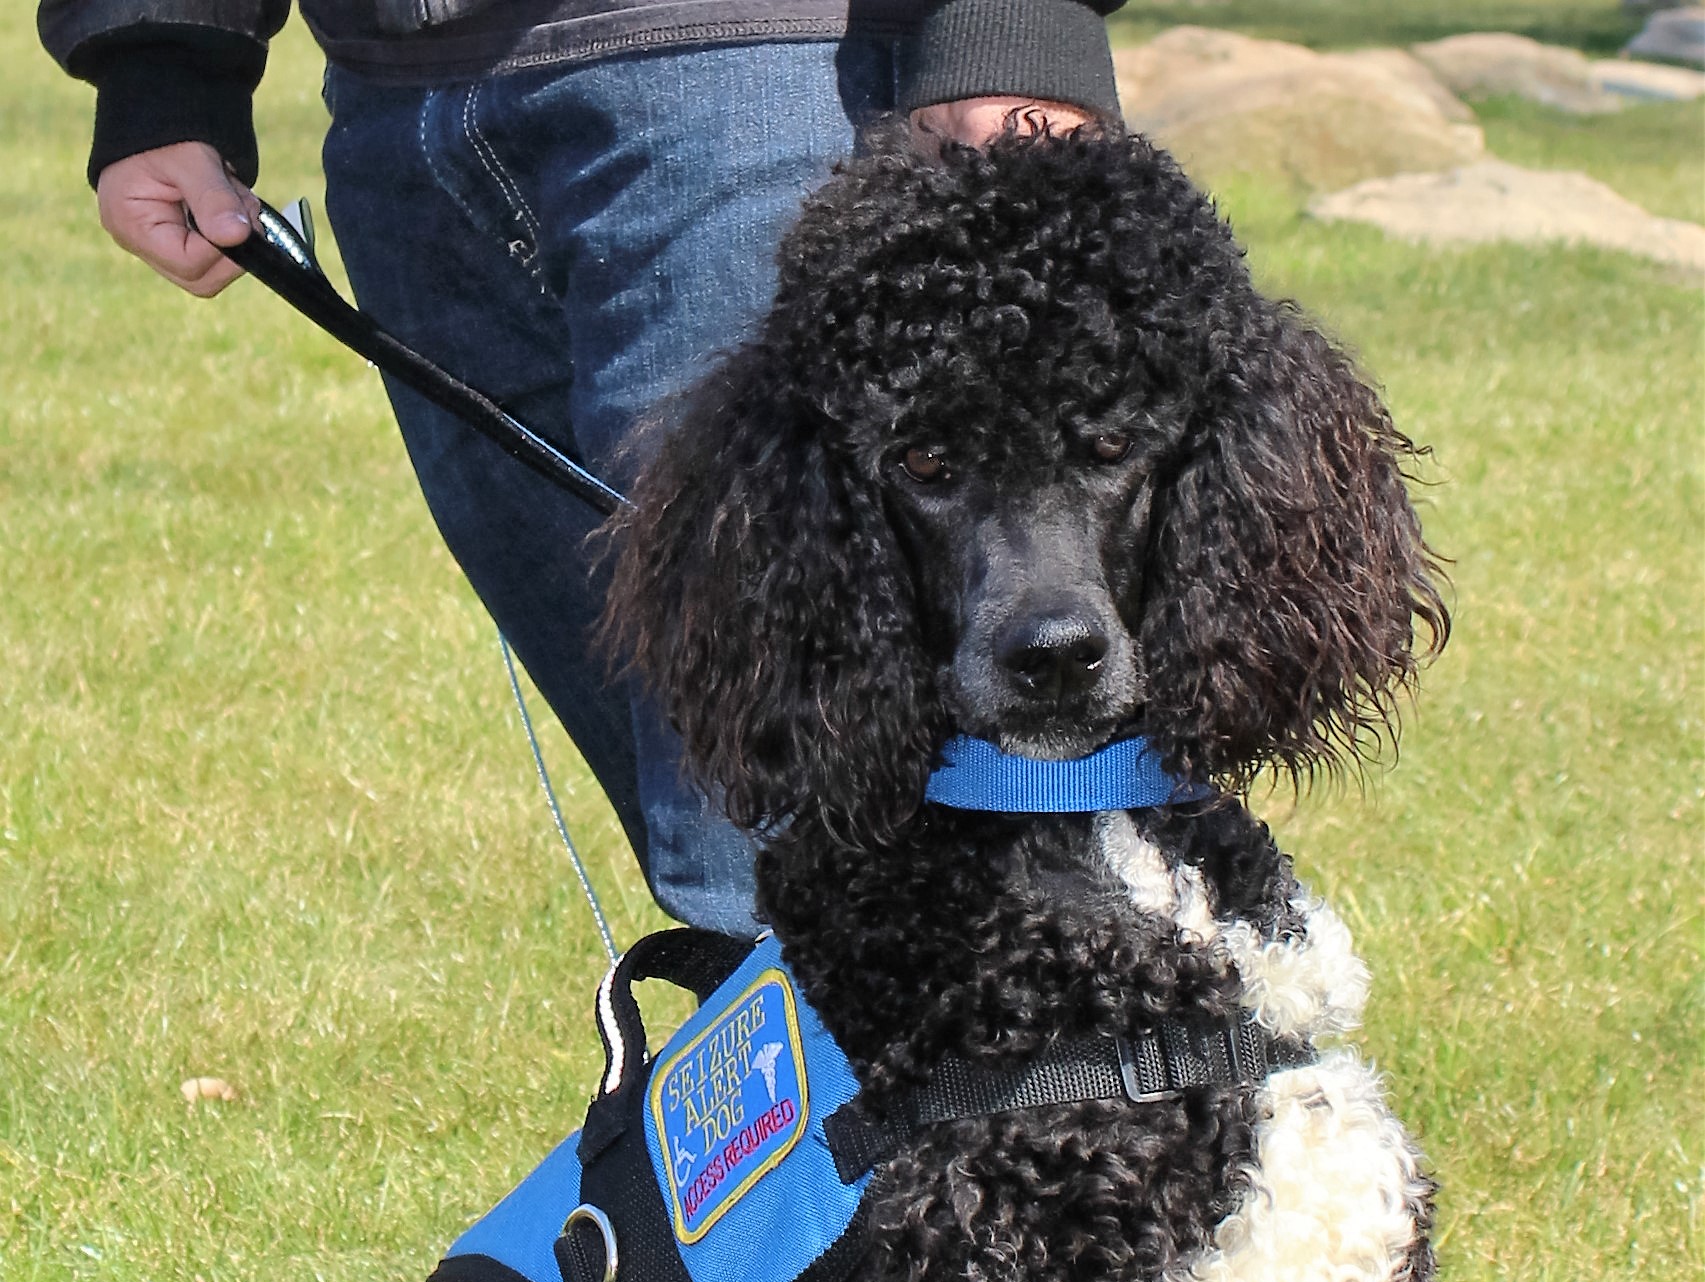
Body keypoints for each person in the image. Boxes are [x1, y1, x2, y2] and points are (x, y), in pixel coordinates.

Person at [38, 0, 1124, 935]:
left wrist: (1014, 18)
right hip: (401, 116)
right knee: (729, 829)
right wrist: (163, 50)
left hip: (767, 70)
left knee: (864, 854)